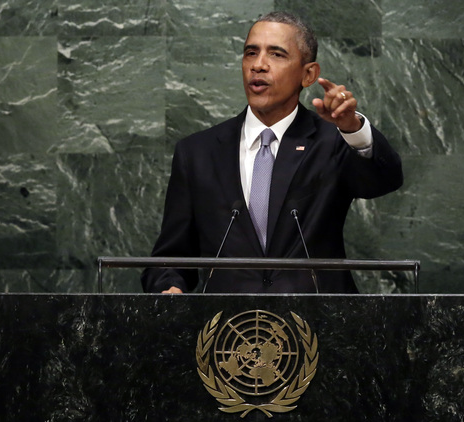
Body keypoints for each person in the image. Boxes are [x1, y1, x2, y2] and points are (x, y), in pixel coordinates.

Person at [141, 11, 402, 294]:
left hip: (320, 325)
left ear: (308, 74)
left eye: (276, 55)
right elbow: (171, 256)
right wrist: (169, 287)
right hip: (227, 329)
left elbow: (384, 180)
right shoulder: (197, 152)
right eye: (251, 53)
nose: (259, 65)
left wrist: (352, 128)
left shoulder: (333, 142)